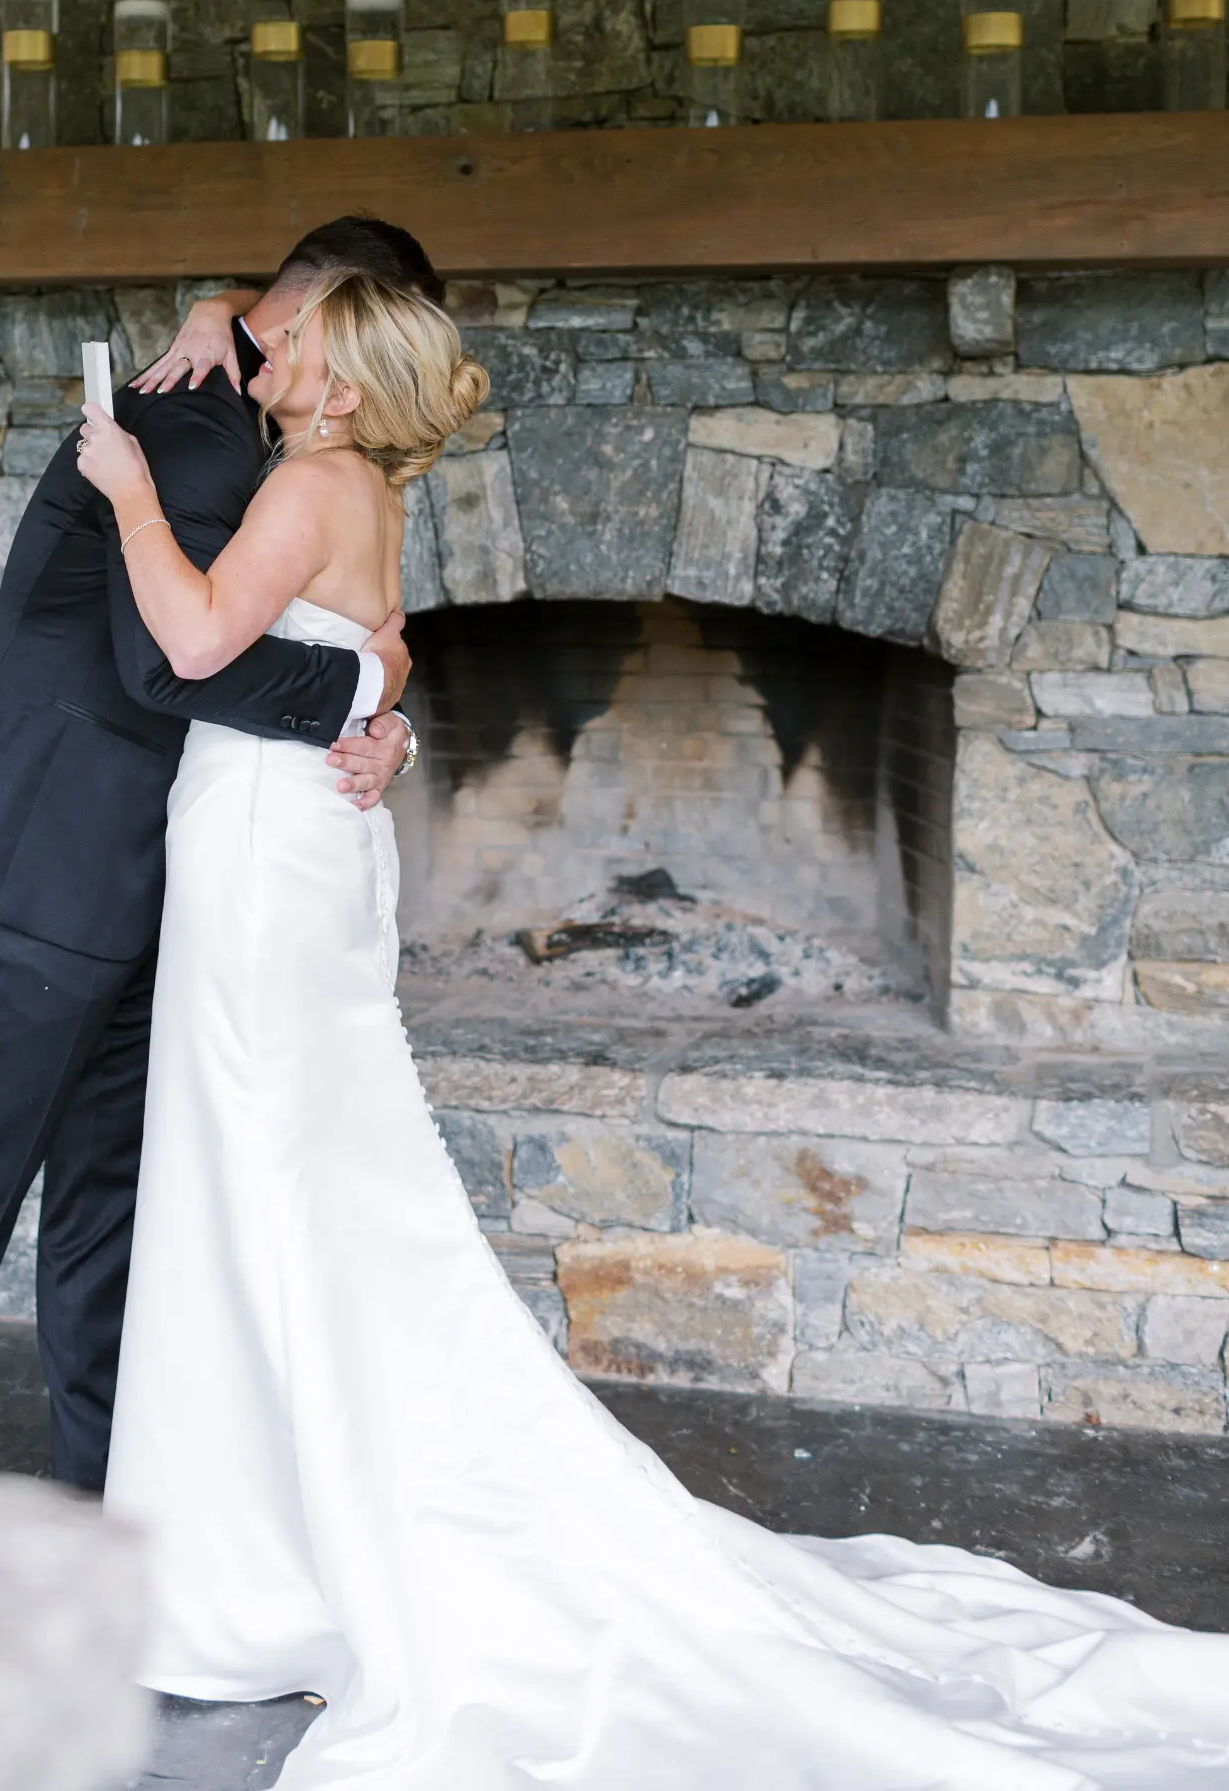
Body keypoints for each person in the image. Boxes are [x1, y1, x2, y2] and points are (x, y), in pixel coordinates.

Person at [78, 263, 1229, 1790]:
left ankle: (248, 1579)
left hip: (261, 859)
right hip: (301, 849)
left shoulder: (305, 482)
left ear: (338, 388)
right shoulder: (365, 488)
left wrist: (128, 493)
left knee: (259, 1177)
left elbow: (196, 644)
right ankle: (269, 1552)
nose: (265, 346)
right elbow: (376, 650)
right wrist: (386, 712)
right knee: (289, 1182)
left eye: (292, 339)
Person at [0, 219, 437, 1491]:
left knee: (104, 1209)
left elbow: (315, 615)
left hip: (150, 887)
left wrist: (386, 716)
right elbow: (171, 664)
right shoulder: (189, 429)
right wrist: (365, 688)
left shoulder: (271, 428)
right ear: (318, 319)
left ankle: (101, 1506)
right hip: (41, 867)